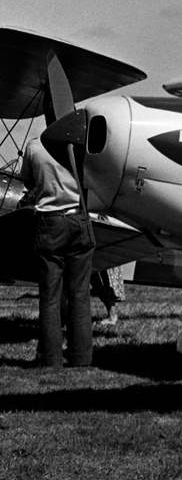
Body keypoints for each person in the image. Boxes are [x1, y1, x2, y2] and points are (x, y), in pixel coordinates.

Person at [20, 137, 96, 368]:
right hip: (79, 217)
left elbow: (28, 181)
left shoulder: (34, 146)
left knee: (50, 297)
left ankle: (51, 360)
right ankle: (82, 359)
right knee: (80, 295)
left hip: (50, 220)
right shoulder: (82, 143)